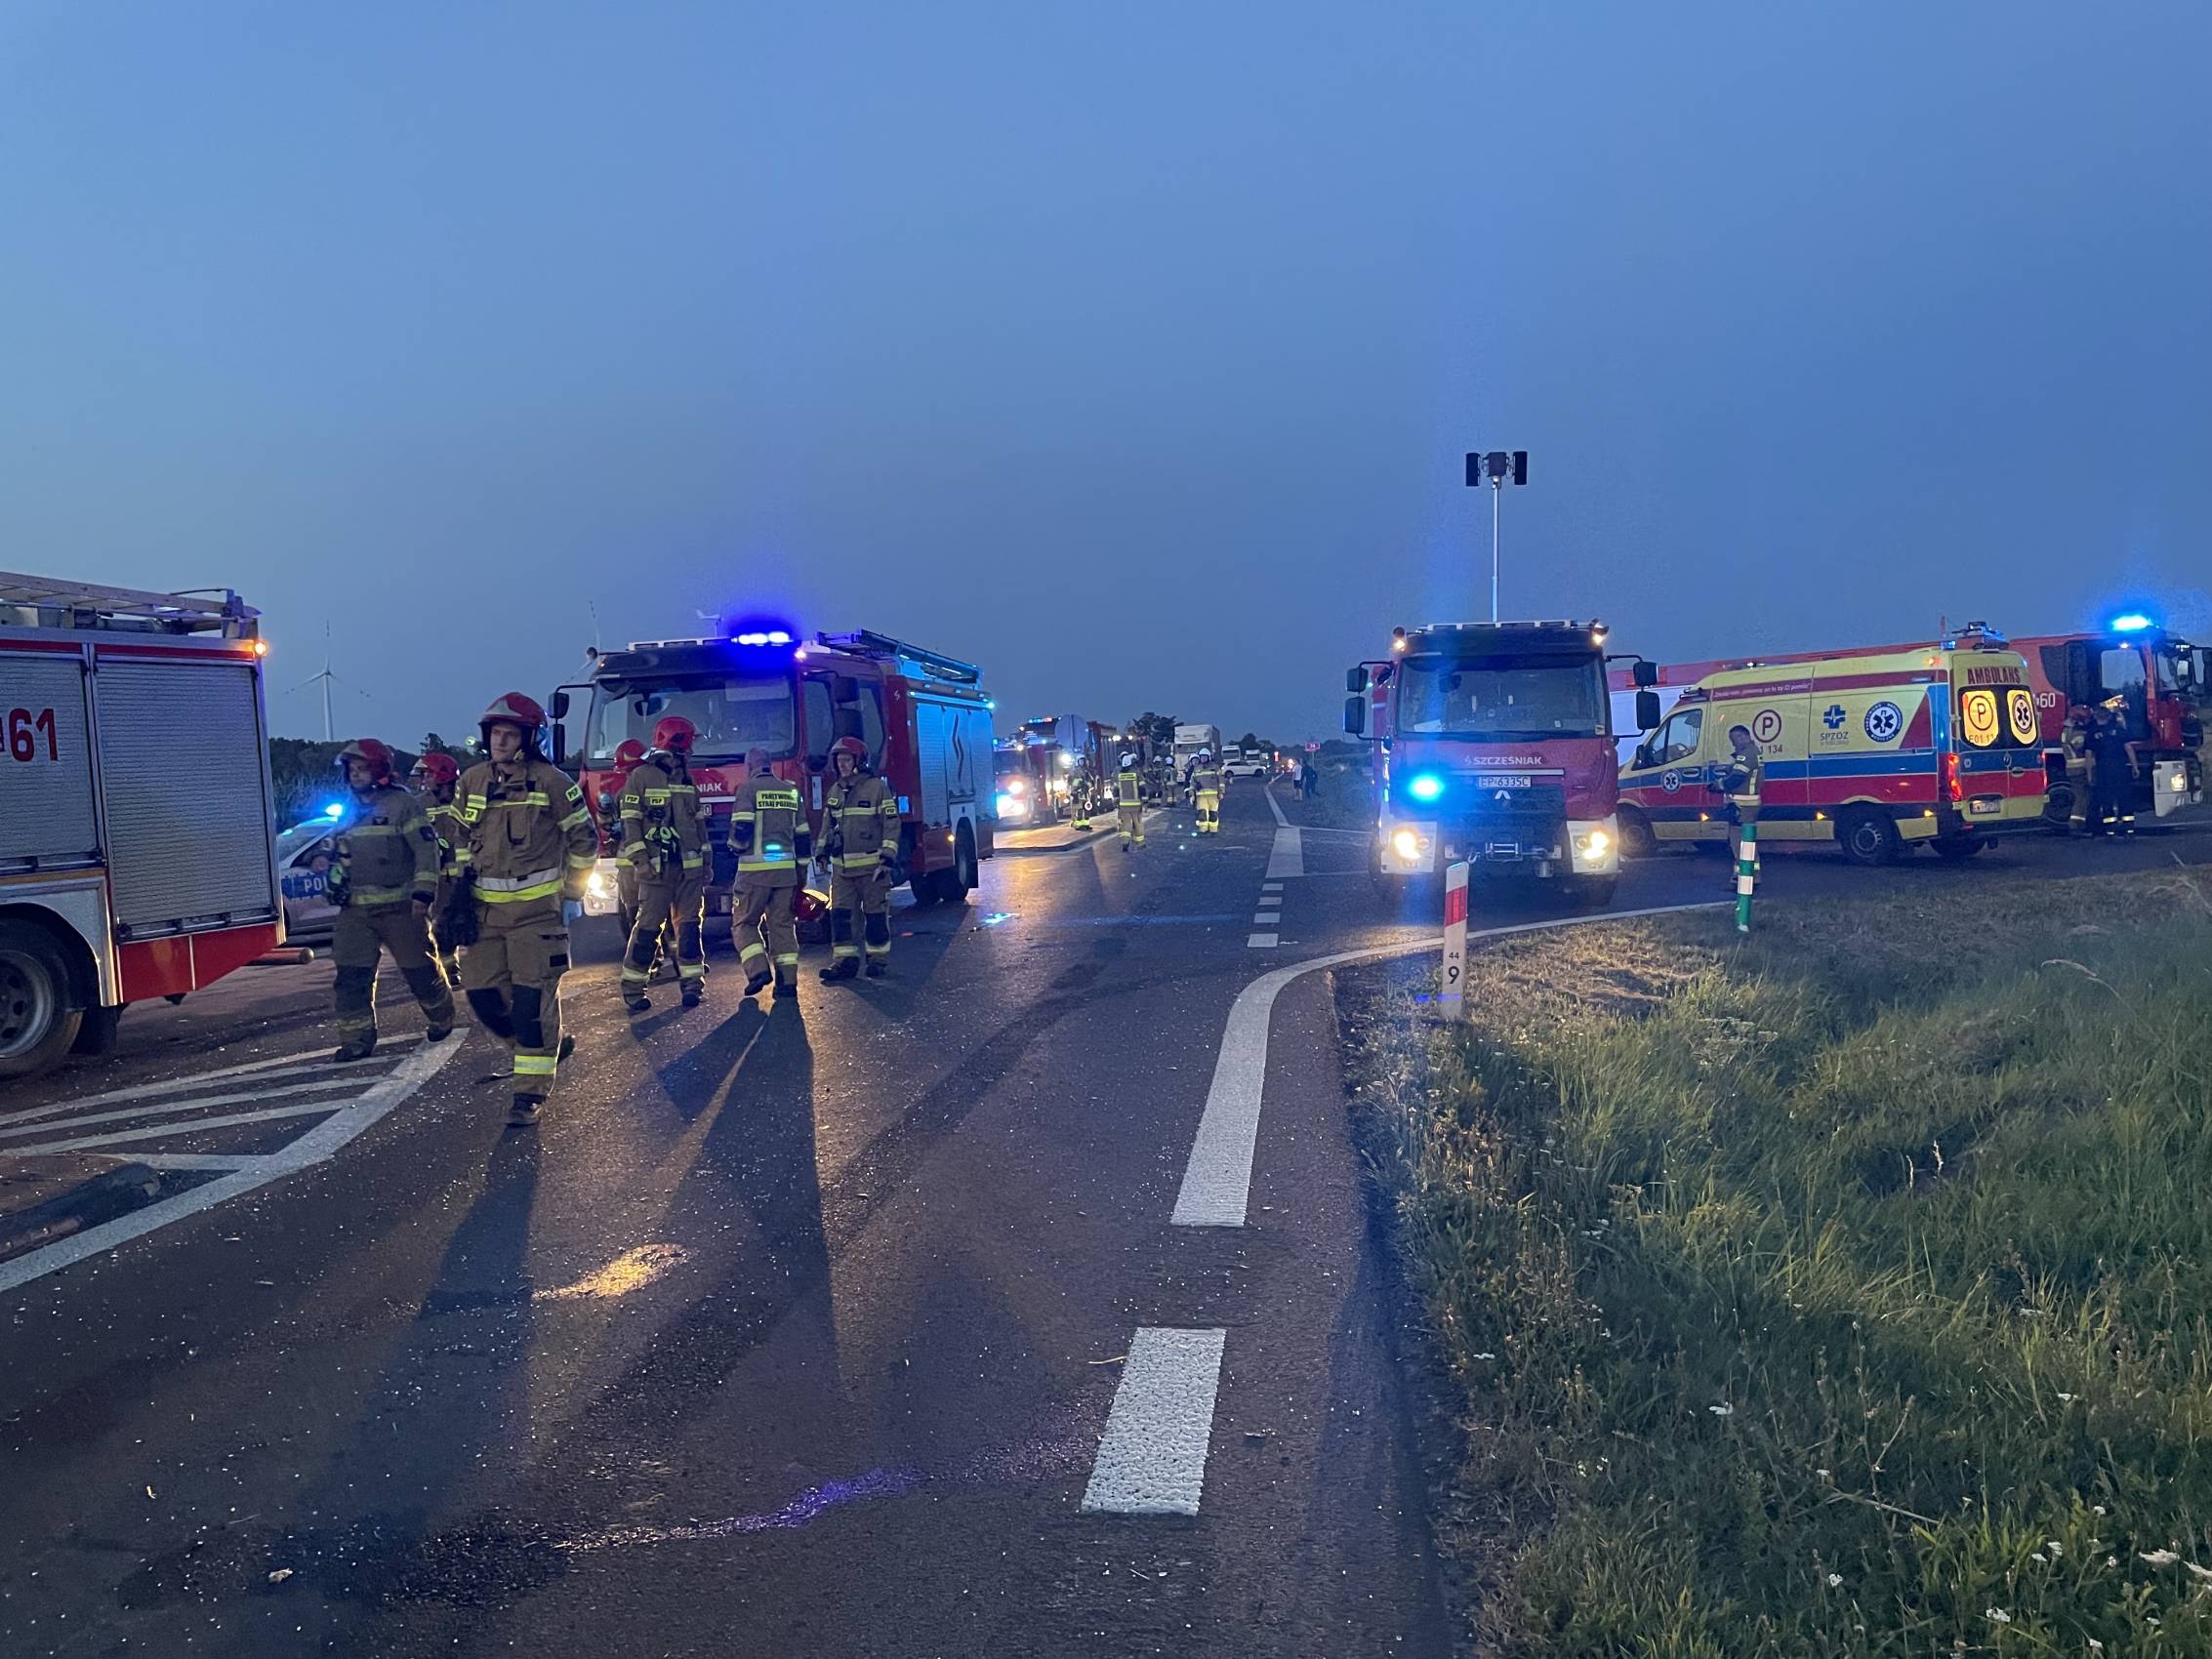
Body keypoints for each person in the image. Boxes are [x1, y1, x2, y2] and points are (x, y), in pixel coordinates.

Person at [449, 693, 598, 1126]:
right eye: (495, 733)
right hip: (485, 917)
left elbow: (585, 840)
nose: (500, 741)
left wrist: (571, 893)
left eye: (509, 734)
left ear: (529, 740)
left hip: (537, 917)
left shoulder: (553, 783)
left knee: (530, 1006)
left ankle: (528, 1095)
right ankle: (544, 1048)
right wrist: (456, 892)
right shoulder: (472, 781)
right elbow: (458, 839)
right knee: (482, 997)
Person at [328, 739, 454, 1062]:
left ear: (380, 771)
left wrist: (423, 893)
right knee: (351, 976)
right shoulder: (349, 808)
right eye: (352, 770)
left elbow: (426, 849)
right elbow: (339, 851)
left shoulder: (403, 805)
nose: (356, 775)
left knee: (419, 972)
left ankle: (441, 1015)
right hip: (355, 911)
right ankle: (356, 1041)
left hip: (401, 908)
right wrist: (328, 868)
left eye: (362, 769)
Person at [618, 716, 709, 1011]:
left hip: (688, 869)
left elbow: (698, 825)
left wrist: (706, 862)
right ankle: (633, 989)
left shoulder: (686, 778)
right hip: (656, 871)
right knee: (647, 929)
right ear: (678, 743)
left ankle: (693, 985)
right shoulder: (641, 777)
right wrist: (640, 861)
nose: (692, 749)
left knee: (690, 928)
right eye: (689, 743)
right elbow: (630, 823)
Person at [817, 735, 902, 981]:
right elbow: (827, 825)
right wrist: (821, 852)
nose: (842, 765)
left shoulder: (877, 789)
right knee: (841, 917)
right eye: (839, 760)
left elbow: (891, 824)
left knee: (875, 917)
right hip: (842, 871)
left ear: (859, 761)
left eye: (846, 760)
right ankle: (844, 963)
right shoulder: (835, 790)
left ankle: (877, 961)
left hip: (872, 869)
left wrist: (887, 859)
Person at [729, 747, 810, 999]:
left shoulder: (747, 789)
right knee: (783, 926)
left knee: (744, 923)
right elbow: (803, 836)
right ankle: (788, 984)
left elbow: (742, 828)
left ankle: (758, 971)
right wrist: (801, 873)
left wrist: (734, 847)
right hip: (786, 873)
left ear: (749, 765)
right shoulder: (790, 791)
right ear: (770, 764)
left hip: (754, 874)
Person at [408, 750, 466, 985]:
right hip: (438, 877)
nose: (425, 780)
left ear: (443, 776)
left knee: (471, 923)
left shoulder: (465, 800)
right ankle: (448, 971)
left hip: (466, 875)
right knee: (439, 926)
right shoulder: (418, 805)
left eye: (429, 775)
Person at [1718, 724, 1764, 875]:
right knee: (1747, 843)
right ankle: (1748, 876)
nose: (1733, 744)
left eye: (1733, 740)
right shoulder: (1753, 752)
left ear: (1741, 737)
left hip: (1742, 806)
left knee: (1739, 843)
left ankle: (1745, 877)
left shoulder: (1747, 754)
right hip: (1747, 805)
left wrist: (1718, 785)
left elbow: (1737, 778)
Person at [2088, 704, 2139, 836]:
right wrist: (2135, 767)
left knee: (2106, 797)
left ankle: (2110, 827)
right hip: (2120, 767)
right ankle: (2128, 826)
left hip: (2103, 769)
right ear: (2109, 716)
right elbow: (2128, 748)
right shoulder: (2119, 729)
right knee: (2124, 796)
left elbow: (2089, 754)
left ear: (2096, 717)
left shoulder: (2092, 733)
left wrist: (2089, 774)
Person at [2060, 704, 2094, 835]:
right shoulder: (2077, 734)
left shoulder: (2067, 730)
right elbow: (2082, 747)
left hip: (2073, 769)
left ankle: (2079, 826)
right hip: (2080, 770)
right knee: (2081, 799)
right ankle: (2076, 827)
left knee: (2081, 797)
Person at [1115, 750, 1146, 851]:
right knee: (1138, 824)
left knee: (1125, 825)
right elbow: (1142, 788)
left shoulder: (1119, 775)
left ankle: (1125, 843)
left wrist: (1116, 802)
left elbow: (1115, 790)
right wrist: (1145, 800)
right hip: (1136, 805)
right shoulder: (1136, 773)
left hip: (1123, 805)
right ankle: (1140, 843)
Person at [1192, 748, 1224, 835]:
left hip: (1213, 796)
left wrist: (1221, 792)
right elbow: (1192, 783)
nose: (1203, 758)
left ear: (1209, 757)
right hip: (1201, 796)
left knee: (1213, 813)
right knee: (1202, 813)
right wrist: (1192, 795)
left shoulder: (1215, 767)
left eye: (1205, 757)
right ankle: (1203, 830)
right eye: (1202, 757)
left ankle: (1213, 830)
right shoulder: (1196, 769)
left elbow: (1221, 781)